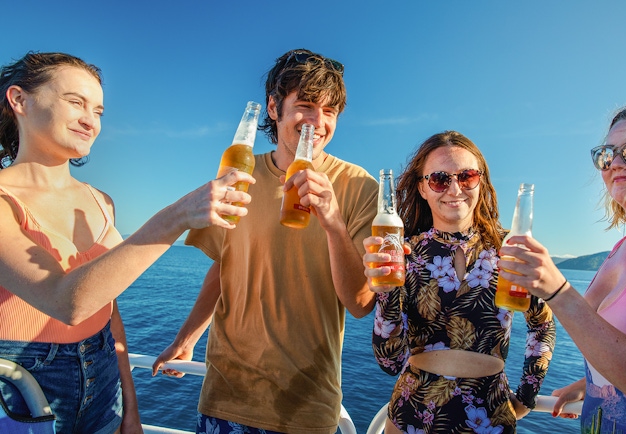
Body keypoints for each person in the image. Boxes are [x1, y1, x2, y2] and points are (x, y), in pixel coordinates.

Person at [0, 52, 253, 433]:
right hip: (25, 392)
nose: (91, 120)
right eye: (76, 102)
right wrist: (177, 216)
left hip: (104, 383)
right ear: (19, 100)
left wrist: (130, 410)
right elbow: (68, 302)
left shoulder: (102, 202)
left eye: (99, 111)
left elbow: (109, 315)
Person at [152, 48, 379, 434]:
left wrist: (333, 223)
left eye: (330, 111)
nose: (318, 122)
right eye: (306, 105)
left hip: (306, 406)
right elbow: (226, 264)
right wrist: (186, 337)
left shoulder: (358, 185)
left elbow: (360, 305)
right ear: (274, 107)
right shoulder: (239, 173)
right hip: (226, 396)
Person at [498, 98, 626, 433]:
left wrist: (556, 290)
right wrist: (594, 382)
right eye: (606, 154)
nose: (616, 163)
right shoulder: (620, 249)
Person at [363, 131, 556, 434]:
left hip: (489, 416)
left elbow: (542, 324)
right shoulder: (403, 253)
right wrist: (386, 294)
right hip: (412, 415)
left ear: (481, 181)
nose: (454, 188)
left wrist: (527, 396)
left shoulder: (512, 250)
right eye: (439, 179)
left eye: (466, 176)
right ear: (423, 188)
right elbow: (389, 362)